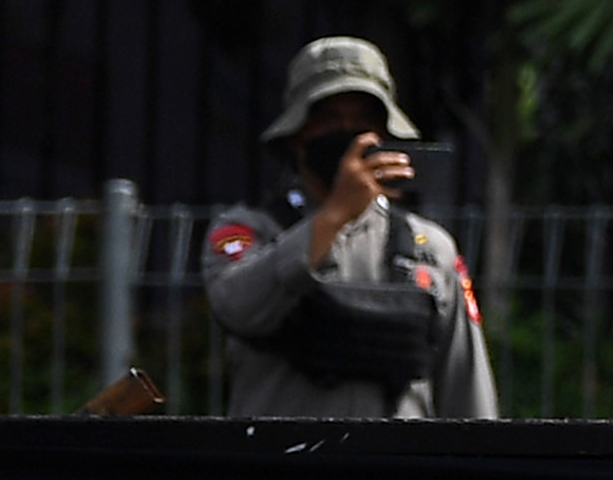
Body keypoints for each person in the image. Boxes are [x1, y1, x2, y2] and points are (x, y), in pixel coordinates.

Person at [204, 39, 501, 421]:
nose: (347, 133)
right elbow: (238, 308)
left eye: (363, 120)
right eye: (328, 118)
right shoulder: (250, 230)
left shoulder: (428, 247)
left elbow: (465, 385)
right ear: (297, 135)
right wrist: (333, 216)